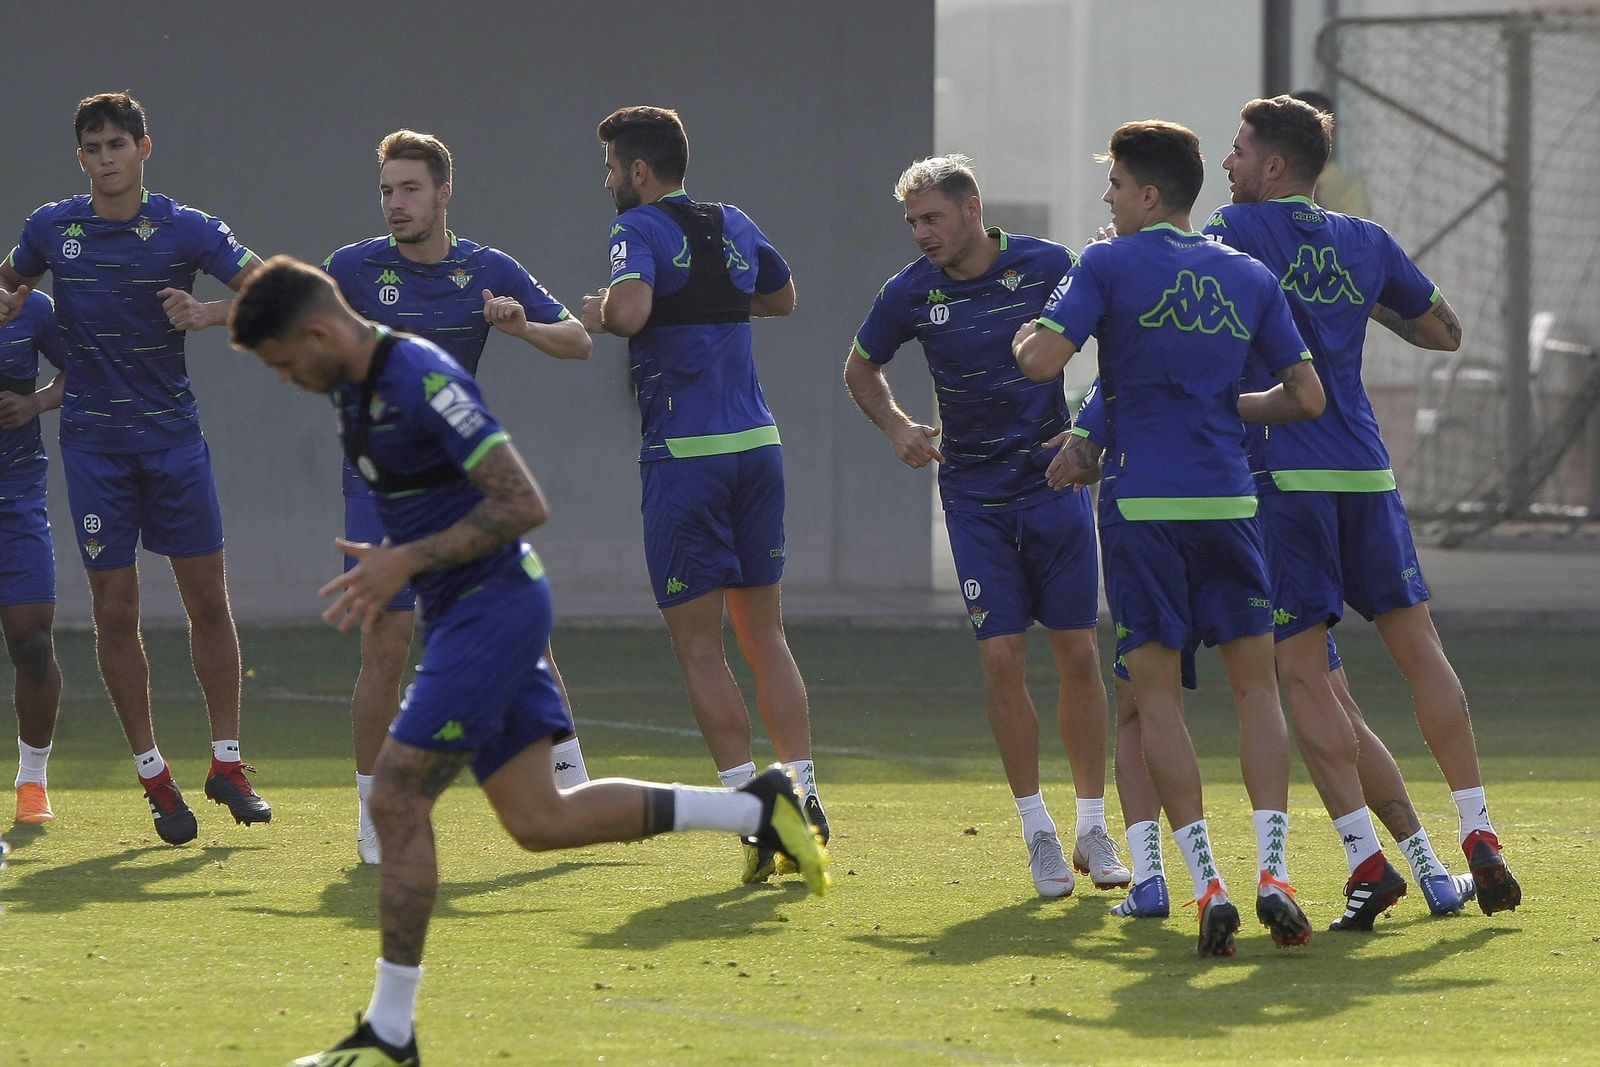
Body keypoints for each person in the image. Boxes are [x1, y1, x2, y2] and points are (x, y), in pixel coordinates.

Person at [227, 256, 829, 1067]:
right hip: (463, 612)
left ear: (320, 332)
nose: (289, 379)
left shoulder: (421, 378)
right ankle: (760, 809)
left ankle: (389, 1034)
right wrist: (399, 556)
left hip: (495, 609)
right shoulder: (353, 388)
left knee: (399, 792)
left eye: (285, 362)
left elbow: (522, 503)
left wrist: (404, 562)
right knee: (539, 820)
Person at [1014, 120, 1327, 957]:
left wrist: (1025, 336)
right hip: (1229, 504)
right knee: (1257, 691)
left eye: (1114, 186)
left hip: (1144, 510)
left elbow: (1042, 361)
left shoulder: (1106, 263)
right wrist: (1230, 409)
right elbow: (1306, 396)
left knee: (1155, 700)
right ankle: (1274, 874)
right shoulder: (1248, 274)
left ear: (1148, 194)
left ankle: (1205, 882)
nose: (1107, 200)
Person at [1209, 93, 1517, 916]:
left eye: (1239, 150)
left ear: (1274, 165)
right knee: (1421, 651)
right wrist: (1359, 303)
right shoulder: (1367, 240)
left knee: (1302, 672)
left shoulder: (1234, 232)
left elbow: (1184, 296)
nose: (1229, 163)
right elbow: (1444, 332)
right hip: (1367, 472)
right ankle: (1478, 827)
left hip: (1283, 476)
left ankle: (1362, 856)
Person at [844, 154, 1127, 899]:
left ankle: (1094, 826)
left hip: (1052, 482)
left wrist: (1087, 433)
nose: (921, 234)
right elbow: (860, 368)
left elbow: (1121, 338)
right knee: (1002, 656)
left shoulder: (1045, 265)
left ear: (973, 210)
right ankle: (1037, 830)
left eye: (932, 218)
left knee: (1078, 654)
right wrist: (899, 425)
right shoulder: (910, 291)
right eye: (912, 223)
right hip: (973, 492)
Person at [0, 92, 269, 844]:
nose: (106, 157)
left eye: (119, 143)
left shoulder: (186, 228)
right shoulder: (52, 228)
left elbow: (272, 288)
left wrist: (211, 314)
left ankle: (227, 765)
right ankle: (155, 776)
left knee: (207, 601)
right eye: (93, 147)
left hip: (173, 440)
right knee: (115, 612)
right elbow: (9, 286)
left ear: (144, 149)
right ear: (80, 157)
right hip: (93, 448)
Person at [321, 129, 594, 864]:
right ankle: (373, 812)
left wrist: (521, 325)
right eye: (386, 190)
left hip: (462, 488)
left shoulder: (487, 269)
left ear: (444, 193)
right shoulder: (352, 267)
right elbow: (281, 308)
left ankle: (571, 774)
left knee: (519, 622)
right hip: (376, 487)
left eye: (409, 189)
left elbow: (579, 340)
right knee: (388, 640)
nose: (395, 204)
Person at [580, 105, 826, 883]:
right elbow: (784, 296)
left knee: (699, 644)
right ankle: (806, 793)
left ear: (639, 173)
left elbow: (631, 310)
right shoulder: (733, 220)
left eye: (612, 168)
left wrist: (602, 313)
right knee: (767, 634)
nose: (608, 181)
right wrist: (715, 308)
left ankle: (755, 814)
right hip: (759, 446)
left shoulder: (639, 230)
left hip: (687, 456)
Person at [1, 289, 66, 824]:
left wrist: (37, 401)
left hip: (15, 496)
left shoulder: (31, 309)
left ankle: (32, 780)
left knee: (33, 642)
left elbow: (84, 368)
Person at [1290, 90, 1371, 219]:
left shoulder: (1348, 188)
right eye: (1298, 129)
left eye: (1317, 128)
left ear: (1332, 131)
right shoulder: (1271, 177)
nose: (1308, 137)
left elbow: (1351, 237)